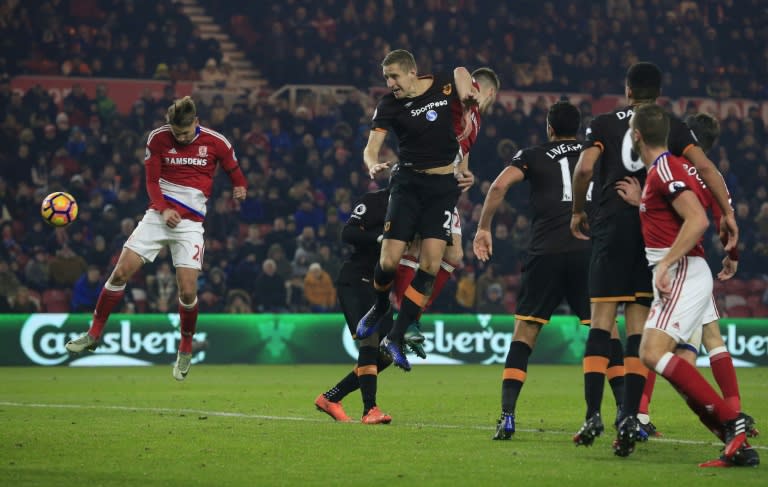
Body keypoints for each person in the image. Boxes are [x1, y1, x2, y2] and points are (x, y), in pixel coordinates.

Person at [569, 62, 737, 448]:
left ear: (627, 90)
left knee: (600, 323)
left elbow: (584, 169)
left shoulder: (604, 123)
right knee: (637, 329)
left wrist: (579, 210)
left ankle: (593, 414)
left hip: (610, 230)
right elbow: (706, 167)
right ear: (658, 94)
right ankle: (629, 417)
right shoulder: (673, 127)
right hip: (651, 237)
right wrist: (727, 212)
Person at [66, 96, 247, 381]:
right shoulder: (158, 138)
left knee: (187, 291)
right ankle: (93, 333)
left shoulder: (217, 142)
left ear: (196, 123)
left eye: (186, 133)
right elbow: (151, 181)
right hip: (158, 216)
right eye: (177, 133)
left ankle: (185, 347)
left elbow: (234, 170)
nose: (181, 137)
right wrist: (163, 210)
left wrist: (240, 187)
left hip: (190, 224)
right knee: (120, 271)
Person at [615, 112, 758, 441]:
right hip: (695, 264)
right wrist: (732, 256)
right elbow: (723, 219)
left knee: (653, 351)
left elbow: (696, 219)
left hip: (682, 267)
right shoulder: (711, 174)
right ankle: (732, 424)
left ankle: (721, 420)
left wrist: (665, 263)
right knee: (697, 347)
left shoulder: (671, 166)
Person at [474, 101, 599, 439]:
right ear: (578, 127)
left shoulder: (533, 153)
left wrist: (484, 227)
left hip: (545, 251)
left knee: (525, 334)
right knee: (605, 333)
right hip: (588, 249)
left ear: (549, 127)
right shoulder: (594, 152)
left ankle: (508, 416)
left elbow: (499, 186)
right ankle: (618, 416)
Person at [355, 49, 484, 371]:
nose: (390, 84)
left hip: (442, 190)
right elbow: (370, 149)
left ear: (412, 72)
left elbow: (461, 69)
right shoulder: (389, 105)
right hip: (408, 184)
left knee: (430, 263)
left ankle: (396, 336)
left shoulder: (443, 83)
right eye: (387, 78)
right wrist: (373, 166)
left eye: (394, 77)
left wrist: (468, 91)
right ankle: (381, 305)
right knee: (387, 260)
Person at [391, 67, 500, 333]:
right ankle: (403, 315)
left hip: (446, 185)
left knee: (454, 253)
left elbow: (463, 151)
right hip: (424, 176)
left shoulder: (475, 120)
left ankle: (412, 314)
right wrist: (466, 96)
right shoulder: (466, 92)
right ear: (491, 93)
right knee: (417, 248)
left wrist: (466, 173)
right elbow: (461, 71)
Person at [314, 187, 396, 424]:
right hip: (355, 279)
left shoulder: (410, 211)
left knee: (389, 351)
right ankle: (370, 409)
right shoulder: (373, 201)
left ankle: (331, 398)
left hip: (379, 285)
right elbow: (348, 233)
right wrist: (380, 238)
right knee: (369, 339)